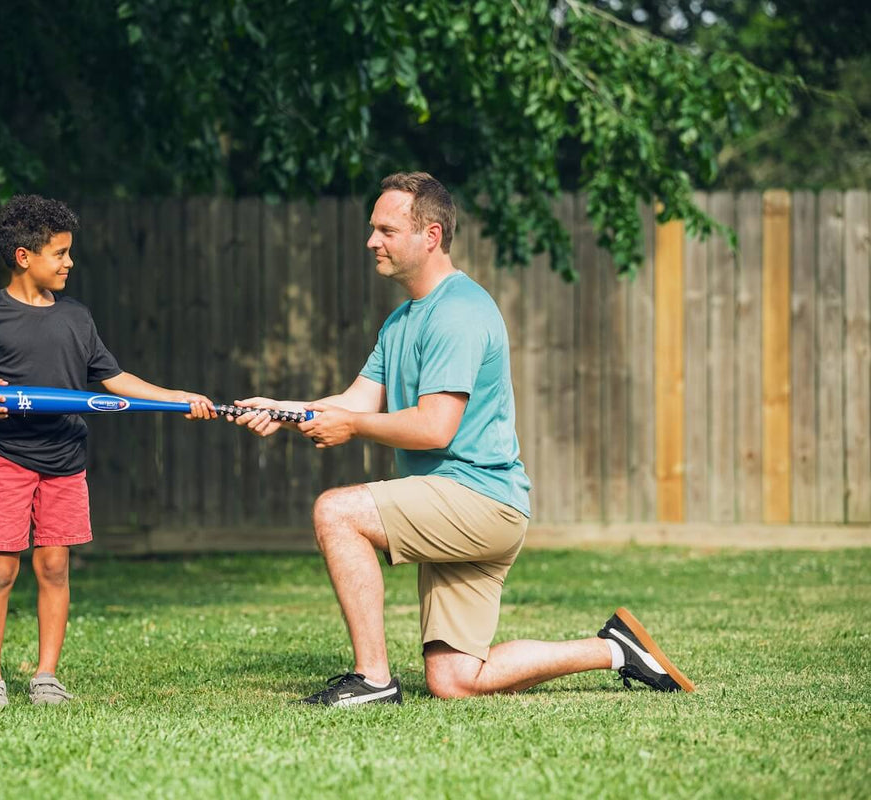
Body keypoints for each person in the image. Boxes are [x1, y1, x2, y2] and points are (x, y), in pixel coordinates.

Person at [231, 172, 694, 705]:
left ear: (430, 236)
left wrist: (353, 427)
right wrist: (284, 410)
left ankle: (373, 681)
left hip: (480, 500)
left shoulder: (459, 312)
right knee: (454, 681)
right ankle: (615, 650)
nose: (371, 241)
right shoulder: (403, 321)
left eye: (386, 230)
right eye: (372, 228)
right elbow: (356, 401)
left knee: (337, 512)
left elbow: (433, 427)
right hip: (463, 501)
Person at [0, 194, 216, 708]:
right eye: (61, 253)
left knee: (54, 567)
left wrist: (176, 397)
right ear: (25, 257)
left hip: (65, 461)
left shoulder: (75, 317)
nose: (70, 262)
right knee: (1, 569)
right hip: (6, 458)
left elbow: (114, 379)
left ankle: (46, 676)